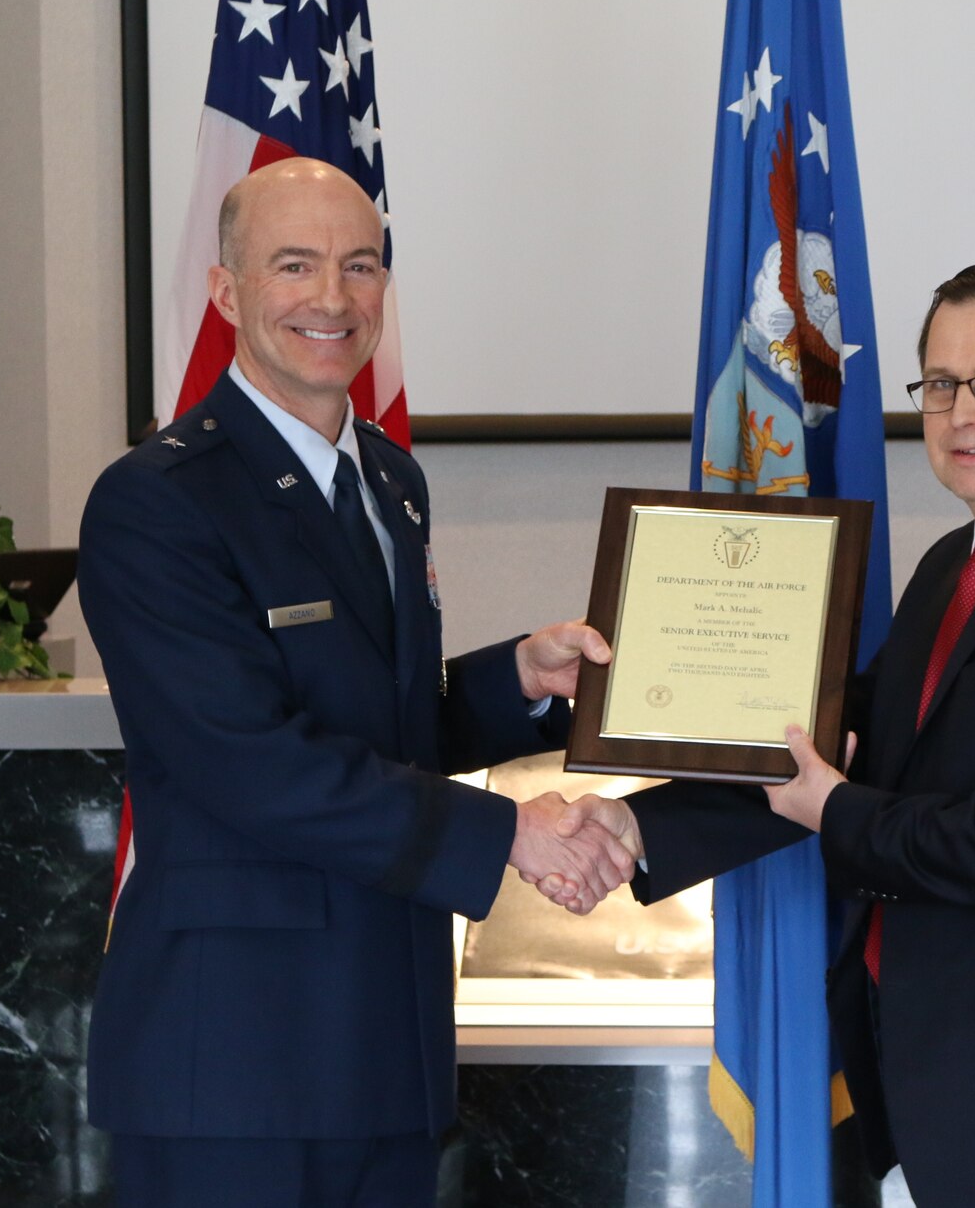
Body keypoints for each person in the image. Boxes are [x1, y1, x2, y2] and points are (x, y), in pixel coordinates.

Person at [554, 265, 975, 1206]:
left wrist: (838, 811)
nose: (962, 414)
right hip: (945, 1094)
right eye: (940, 386)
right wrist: (640, 828)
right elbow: (847, 743)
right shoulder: (961, 561)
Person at [78, 157, 630, 1207]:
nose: (332, 299)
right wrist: (508, 831)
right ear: (227, 292)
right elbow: (250, 761)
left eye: (360, 266)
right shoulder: (157, 503)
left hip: (386, 1040)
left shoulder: (389, 480)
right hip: (233, 1062)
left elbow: (380, 722)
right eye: (294, 266)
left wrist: (517, 675)